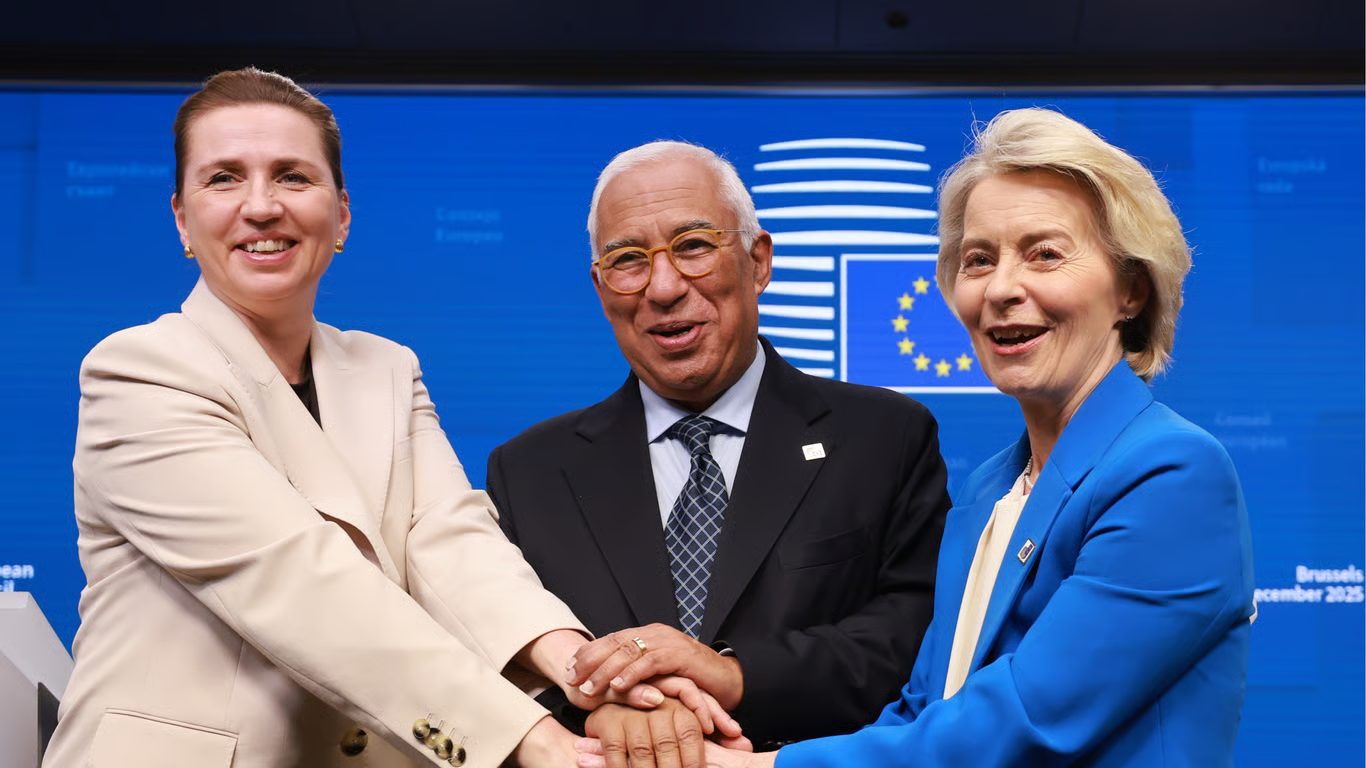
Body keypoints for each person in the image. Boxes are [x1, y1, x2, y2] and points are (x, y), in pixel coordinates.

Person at [42, 68, 714, 768]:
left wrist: (595, 675)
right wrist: (536, 742)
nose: (262, 206)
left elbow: (453, 545)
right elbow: (300, 584)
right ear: (183, 219)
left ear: (342, 216)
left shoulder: (387, 368)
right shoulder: (139, 371)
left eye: (293, 176)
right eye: (224, 178)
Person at [627, 107, 1257, 768]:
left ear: (1131, 290)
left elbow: (1023, 722)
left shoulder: (1171, 474)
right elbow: (924, 710)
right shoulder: (989, 489)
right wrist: (742, 749)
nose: (1002, 288)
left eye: (1044, 254)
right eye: (978, 260)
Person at [487, 140, 952, 766]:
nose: (663, 287)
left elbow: (913, 636)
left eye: (693, 246)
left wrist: (733, 673)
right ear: (600, 287)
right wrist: (608, 705)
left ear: (758, 262)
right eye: (628, 260)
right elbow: (499, 652)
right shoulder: (528, 472)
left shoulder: (885, 436)